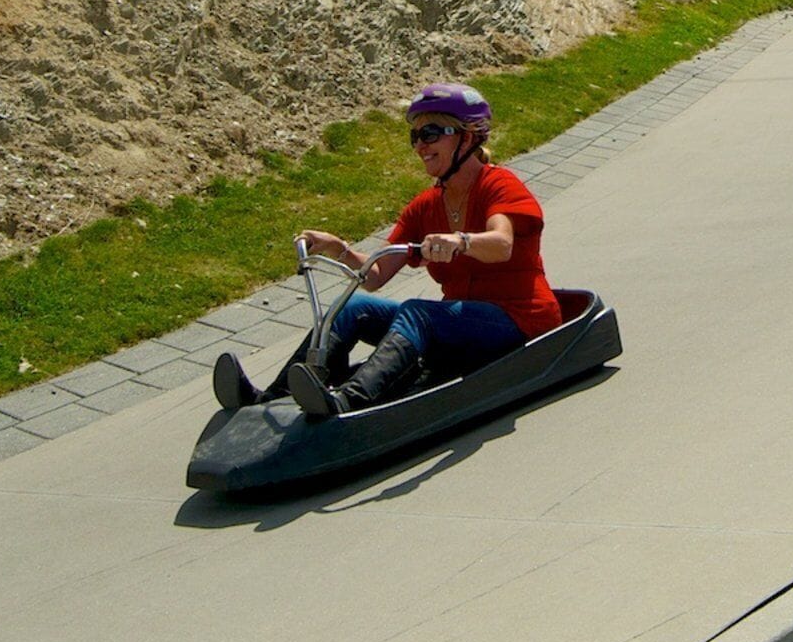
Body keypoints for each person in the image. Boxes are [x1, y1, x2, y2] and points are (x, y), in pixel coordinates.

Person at [213, 81, 566, 419]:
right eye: (416, 136)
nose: (420, 146)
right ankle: (272, 398)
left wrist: (461, 241)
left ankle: (348, 402)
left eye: (431, 134)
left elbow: (502, 244)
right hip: (459, 323)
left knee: (417, 313)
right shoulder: (425, 206)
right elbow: (376, 275)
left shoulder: (498, 184)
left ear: (468, 137)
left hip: (519, 319)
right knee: (355, 307)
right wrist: (339, 248)